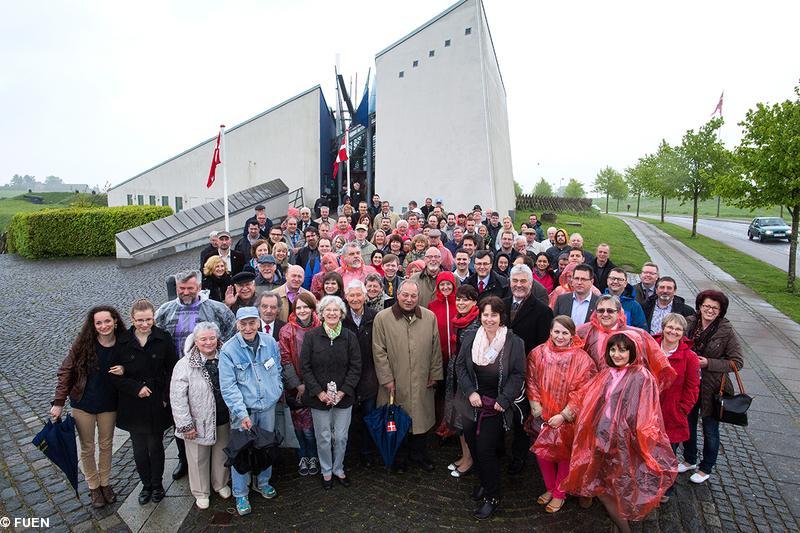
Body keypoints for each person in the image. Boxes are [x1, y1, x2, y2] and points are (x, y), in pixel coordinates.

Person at [560, 332, 677, 532]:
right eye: (613, 349)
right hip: (602, 439)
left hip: (624, 443)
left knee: (618, 486)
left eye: (623, 350)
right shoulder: (608, 372)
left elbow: (644, 416)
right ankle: (621, 524)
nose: (617, 354)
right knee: (605, 487)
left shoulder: (641, 376)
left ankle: (623, 528)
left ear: (633, 351)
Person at [455, 296, 526, 520]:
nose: (489, 319)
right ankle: (484, 483)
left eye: (493, 315)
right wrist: (469, 392)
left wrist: (503, 399)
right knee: (474, 447)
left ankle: (492, 496)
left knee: (486, 450)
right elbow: (460, 367)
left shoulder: (514, 342)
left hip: (495, 406)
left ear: (501, 316)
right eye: (485, 314)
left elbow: (518, 374)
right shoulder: (470, 337)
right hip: (471, 402)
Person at [50, 306, 128, 508]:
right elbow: (66, 370)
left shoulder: (124, 342)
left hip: (109, 404)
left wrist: (125, 369)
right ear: (93, 326)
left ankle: (105, 483)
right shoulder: (83, 344)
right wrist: (58, 403)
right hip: (83, 403)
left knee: (106, 445)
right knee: (87, 447)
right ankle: (93, 487)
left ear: (115, 321)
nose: (104, 326)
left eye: (107, 321)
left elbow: (136, 364)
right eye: (99, 323)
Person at [109, 299, 176, 505]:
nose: (144, 324)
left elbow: (172, 370)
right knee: (138, 447)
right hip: (133, 403)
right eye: (140, 320)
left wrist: (166, 397)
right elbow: (113, 375)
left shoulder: (163, 338)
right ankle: (145, 484)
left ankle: (157, 485)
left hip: (157, 401)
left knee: (155, 445)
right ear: (132, 319)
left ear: (153, 317)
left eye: (148, 319)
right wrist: (135, 387)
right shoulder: (122, 341)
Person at [526, 316, 596, 513]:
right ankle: (550, 488)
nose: (560, 336)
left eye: (565, 332)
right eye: (556, 331)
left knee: (564, 456)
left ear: (572, 335)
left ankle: (559, 494)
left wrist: (565, 415)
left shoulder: (582, 359)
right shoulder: (538, 353)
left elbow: (583, 391)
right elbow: (531, 380)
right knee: (543, 454)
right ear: (550, 331)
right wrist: (537, 407)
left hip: (567, 419)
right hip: (544, 415)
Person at [219, 307, 284, 516]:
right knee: (241, 451)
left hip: (267, 406)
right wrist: (241, 414)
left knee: (266, 446)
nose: (248, 328)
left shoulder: (270, 342)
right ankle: (241, 493)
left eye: (251, 323)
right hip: (244, 410)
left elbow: (278, 369)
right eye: (243, 324)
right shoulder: (229, 350)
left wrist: (277, 388)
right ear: (237, 325)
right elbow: (228, 387)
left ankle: (263, 482)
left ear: (258, 322)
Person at [373, 280, 443, 472]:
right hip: (395, 381)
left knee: (420, 421)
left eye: (413, 296)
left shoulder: (429, 317)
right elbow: (378, 351)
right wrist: (386, 378)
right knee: (398, 420)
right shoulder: (383, 318)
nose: (409, 299)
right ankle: (398, 459)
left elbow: (436, 348)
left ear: (418, 297)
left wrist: (435, 374)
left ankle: (419, 455)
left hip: (422, 379)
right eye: (405, 295)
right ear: (397, 294)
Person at [300, 296, 362, 489]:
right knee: (324, 437)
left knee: (341, 436)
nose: (332, 313)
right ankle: (326, 471)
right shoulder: (311, 337)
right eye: (328, 310)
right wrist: (319, 392)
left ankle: (338, 468)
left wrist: (343, 392)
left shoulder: (350, 337)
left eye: (336, 310)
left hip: (343, 397)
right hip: (320, 398)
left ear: (342, 314)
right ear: (321, 313)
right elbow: (305, 367)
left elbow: (356, 366)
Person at [681, 290, 743, 484]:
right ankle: (689, 459)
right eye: (706, 306)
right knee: (688, 424)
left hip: (712, 388)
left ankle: (706, 467)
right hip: (689, 384)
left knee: (710, 429)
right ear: (699, 306)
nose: (709, 310)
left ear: (720, 311)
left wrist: (708, 363)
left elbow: (736, 362)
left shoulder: (726, 331)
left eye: (714, 308)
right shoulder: (689, 322)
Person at [170, 322, 232, 509]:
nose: (208, 342)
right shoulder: (185, 364)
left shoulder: (227, 357)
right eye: (203, 339)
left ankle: (220, 483)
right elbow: (177, 397)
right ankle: (201, 491)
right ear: (195, 341)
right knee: (198, 458)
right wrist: (185, 425)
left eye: (212, 338)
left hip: (223, 417)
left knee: (222, 453)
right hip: (197, 421)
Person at [504, 264, 553, 474]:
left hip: (527, 374)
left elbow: (543, 348)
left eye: (523, 281)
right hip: (501, 371)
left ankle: (519, 457)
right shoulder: (502, 304)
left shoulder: (543, 311)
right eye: (515, 281)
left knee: (521, 419)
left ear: (531, 284)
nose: (519, 285)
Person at [577, 295, 677, 391]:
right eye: (601, 310)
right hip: (589, 390)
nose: (605, 314)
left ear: (619, 312)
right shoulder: (584, 331)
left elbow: (657, 362)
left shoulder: (638, 335)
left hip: (624, 391)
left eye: (610, 311)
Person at [653, 313, 700, 502]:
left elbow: (693, 387)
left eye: (678, 329)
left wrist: (682, 409)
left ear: (683, 333)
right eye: (670, 327)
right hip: (649, 409)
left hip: (672, 412)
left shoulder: (689, 357)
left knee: (667, 453)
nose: (673, 331)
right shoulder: (651, 348)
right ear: (663, 328)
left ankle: (666, 488)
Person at [278, 293, 321, 477]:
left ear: (312, 308)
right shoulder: (287, 331)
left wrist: (312, 384)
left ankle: (314, 455)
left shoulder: (321, 326)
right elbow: (285, 360)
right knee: (298, 427)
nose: (303, 311)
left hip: (316, 385)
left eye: (306, 307)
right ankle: (303, 455)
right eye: (299, 307)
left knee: (312, 428)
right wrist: (297, 384)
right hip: (295, 387)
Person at [443, 284, 481, 477]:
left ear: (474, 302)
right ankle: (464, 455)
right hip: (455, 374)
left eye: (466, 299)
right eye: (458, 299)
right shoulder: (458, 321)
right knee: (458, 419)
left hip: (469, 379)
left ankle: (470, 460)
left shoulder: (477, 324)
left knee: (466, 421)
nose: (461, 302)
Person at [342, 280, 379, 466]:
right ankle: (347, 454)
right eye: (352, 295)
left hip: (369, 376)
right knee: (346, 420)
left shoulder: (375, 317)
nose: (355, 299)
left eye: (359, 295)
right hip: (346, 378)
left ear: (365, 297)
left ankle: (366, 452)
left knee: (368, 417)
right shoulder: (340, 318)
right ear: (346, 297)